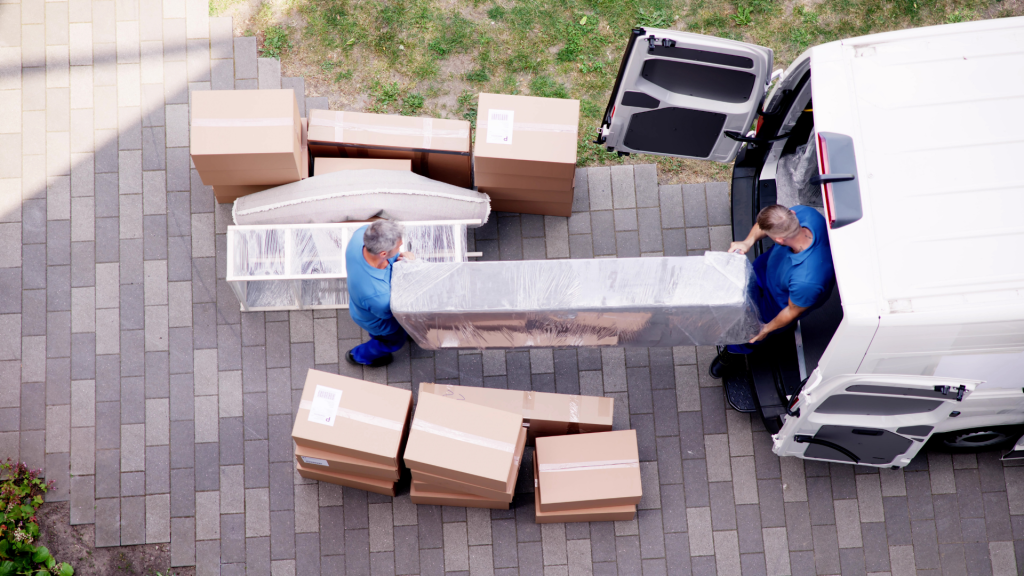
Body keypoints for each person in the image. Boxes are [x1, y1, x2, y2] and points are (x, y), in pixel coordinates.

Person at [709, 204, 836, 378]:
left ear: (779, 240)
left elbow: (792, 311)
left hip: (777, 303)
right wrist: (748, 241)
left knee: (750, 331)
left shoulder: (808, 280)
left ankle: (734, 351)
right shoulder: (805, 213)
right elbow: (764, 225)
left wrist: (765, 329)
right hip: (768, 269)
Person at [344, 220, 415, 368]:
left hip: (361, 305)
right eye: (398, 246)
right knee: (391, 342)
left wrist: (400, 257)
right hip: (380, 323)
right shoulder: (379, 297)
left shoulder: (361, 235)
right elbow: (394, 313)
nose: (400, 248)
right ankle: (360, 356)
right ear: (383, 253)